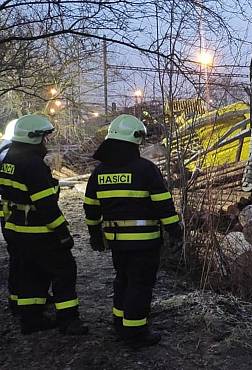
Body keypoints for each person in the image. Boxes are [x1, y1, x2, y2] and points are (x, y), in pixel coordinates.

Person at [84, 114, 182, 348]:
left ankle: (120, 323)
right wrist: (175, 230)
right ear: (135, 140)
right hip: (144, 242)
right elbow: (163, 204)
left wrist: (95, 235)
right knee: (140, 285)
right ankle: (136, 333)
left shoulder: (99, 173)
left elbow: (90, 207)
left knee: (123, 280)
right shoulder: (145, 169)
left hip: (116, 242)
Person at [0, 114, 87, 335]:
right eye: (43, 138)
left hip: (16, 228)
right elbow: (46, 204)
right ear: (34, 138)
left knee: (30, 273)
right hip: (39, 230)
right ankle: (69, 320)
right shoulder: (32, 164)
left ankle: (31, 319)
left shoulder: (10, 158)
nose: (45, 143)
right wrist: (63, 233)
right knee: (65, 271)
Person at [1, 119, 17, 314]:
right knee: (21, 258)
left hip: (8, 212)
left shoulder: (2, 149)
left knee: (17, 257)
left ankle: (17, 299)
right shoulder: (8, 154)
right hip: (13, 214)